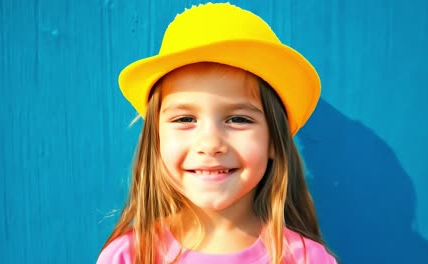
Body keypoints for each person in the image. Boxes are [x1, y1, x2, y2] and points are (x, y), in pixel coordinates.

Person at [98, 2, 337, 264]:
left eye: (238, 119)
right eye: (185, 119)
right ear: (156, 140)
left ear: (273, 141)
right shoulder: (129, 257)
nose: (210, 144)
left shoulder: (306, 259)